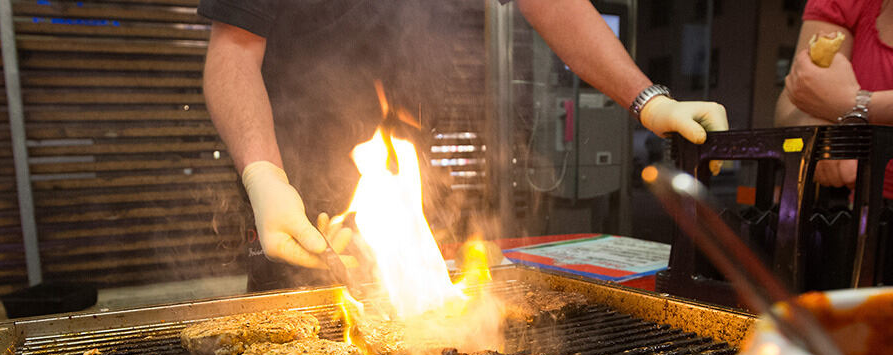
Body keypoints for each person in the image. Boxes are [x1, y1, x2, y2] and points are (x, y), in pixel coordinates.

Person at [200, 0, 730, 292]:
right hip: (301, 199)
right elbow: (232, 55)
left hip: (413, 185)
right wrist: (264, 177)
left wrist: (648, 101)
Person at [776, 0, 893, 195]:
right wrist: (821, 133)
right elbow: (792, 100)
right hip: (860, 206)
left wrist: (855, 104)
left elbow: (840, 101)